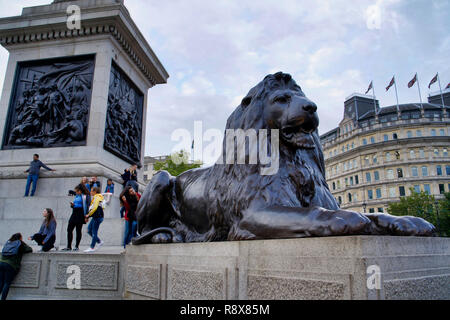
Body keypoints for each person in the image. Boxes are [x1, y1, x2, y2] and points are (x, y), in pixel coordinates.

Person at [0, 233, 33, 300]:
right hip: (10, 265)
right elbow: (29, 249)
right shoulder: (20, 243)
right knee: (7, 283)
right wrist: (23, 242)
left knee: (1, 282)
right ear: (20, 238)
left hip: (1, 262)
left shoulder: (8, 242)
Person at [62, 184, 90, 252]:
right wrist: (72, 205)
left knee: (78, 230)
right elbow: (75, 205)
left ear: (80, 191)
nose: (76, 192)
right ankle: (69, 246)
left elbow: (88, 206)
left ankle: (77, 246)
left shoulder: (85, 196)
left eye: (77, 191)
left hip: (81, 213)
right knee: (69, 229)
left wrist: (87, 216)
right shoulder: (77, 196)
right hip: (74, 212)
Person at [84, 187, 105, 253]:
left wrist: (88, 215)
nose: (90, 192)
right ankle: (99, 241)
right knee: (89, 230)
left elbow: (95, 207)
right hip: (97, 217)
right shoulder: (100, 197)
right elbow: (103, 207)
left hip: (97, 217)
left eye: (91, 191)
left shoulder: (97, 197)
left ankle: (92, 247)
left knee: (94, 231)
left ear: (95, 191)